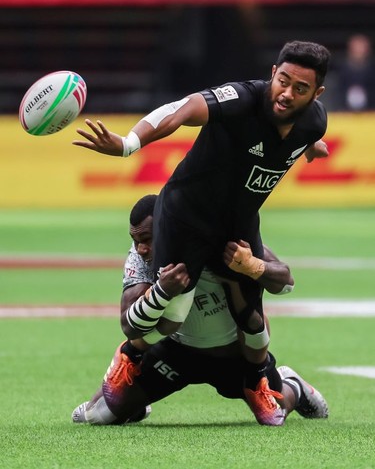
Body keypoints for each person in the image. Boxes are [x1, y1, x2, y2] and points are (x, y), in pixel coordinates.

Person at [73, 40, 331, 425]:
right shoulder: (242, 99)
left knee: (252, 317)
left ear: (316, 94)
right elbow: (182, 109)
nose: (287, 93)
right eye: (283, 80)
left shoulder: (314, 120)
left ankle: (277, 382)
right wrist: (130, 143)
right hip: (186, 219)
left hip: (238, 225)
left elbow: (284, 281)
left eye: (300, 89)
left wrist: (308, 148)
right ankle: (127, 362)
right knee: (172, 317)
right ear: (272, 74)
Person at [72, 195, 328, 426]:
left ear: (165, 227)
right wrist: (161, 290)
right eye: (136, 240)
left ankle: (293, 384)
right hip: (176, 351)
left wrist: (252, 265)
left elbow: (285, 280)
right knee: (99, 415)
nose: (141, 249)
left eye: (147, 239)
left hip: (234, 353)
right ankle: (136, 405)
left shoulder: (218, 238)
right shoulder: (140, 255)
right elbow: (129, 325)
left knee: (279, 408)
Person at [336, 33, 375, 111]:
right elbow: (337, 93)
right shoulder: (341, 70)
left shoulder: (372, 70)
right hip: (345, 113)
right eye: (356, 47)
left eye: (361, 47)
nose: (359, 51)